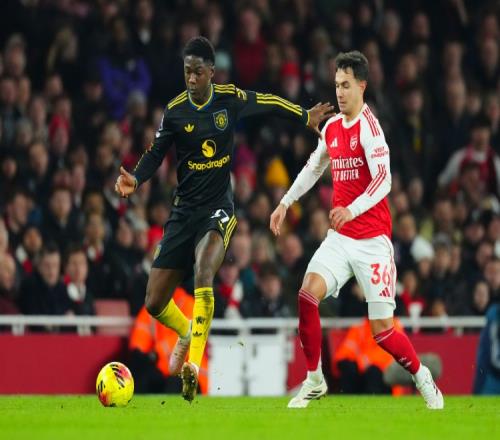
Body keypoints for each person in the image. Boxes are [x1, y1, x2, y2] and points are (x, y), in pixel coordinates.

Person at [115, 36, 333, 402]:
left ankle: (193, 364)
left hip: (218, 209)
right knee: (154, 302)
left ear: (212, 73)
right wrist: (136, 178)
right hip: (183, 211)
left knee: (204, 271)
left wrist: (303, 115)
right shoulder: (175, 111)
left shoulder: (229, 99)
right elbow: (155, 153)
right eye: (187, 72)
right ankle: (187, 332)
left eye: (198, 72)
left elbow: (267, 102)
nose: (192, 78)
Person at [270, 51, 443, 409]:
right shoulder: (332, 127)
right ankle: (314, 379)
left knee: (383, 331)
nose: (340, 92)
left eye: (346, 85)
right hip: (341, 239)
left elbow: (384, 180)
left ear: (362, 86)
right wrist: (285, 202)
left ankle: (421, 376)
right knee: (307, 295)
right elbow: (313, 167)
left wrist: (351, 209)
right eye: (337, 85)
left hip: (373, 242)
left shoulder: (371, 129)